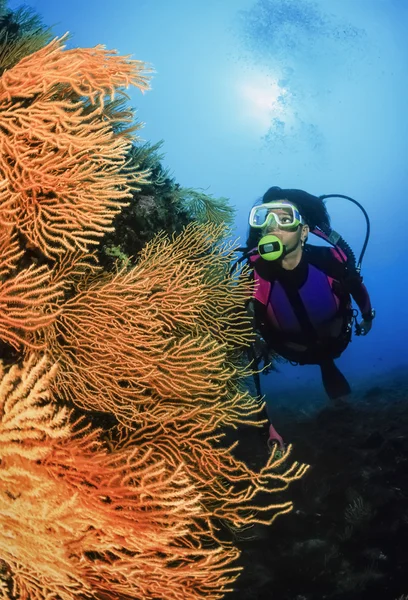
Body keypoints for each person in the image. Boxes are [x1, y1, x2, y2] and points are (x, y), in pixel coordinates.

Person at [243, 187, 375, 447]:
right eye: (265, 219)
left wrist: (368, 316)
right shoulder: (254, 276)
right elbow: (245, 340)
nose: (273, 226)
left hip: (336, 340)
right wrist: (265, 424)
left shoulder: (330, 261)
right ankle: (326, 367)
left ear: (304, 231)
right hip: (295, 351)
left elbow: (357, 287)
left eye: (285, 218)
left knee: (328, 362)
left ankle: (328, 365)